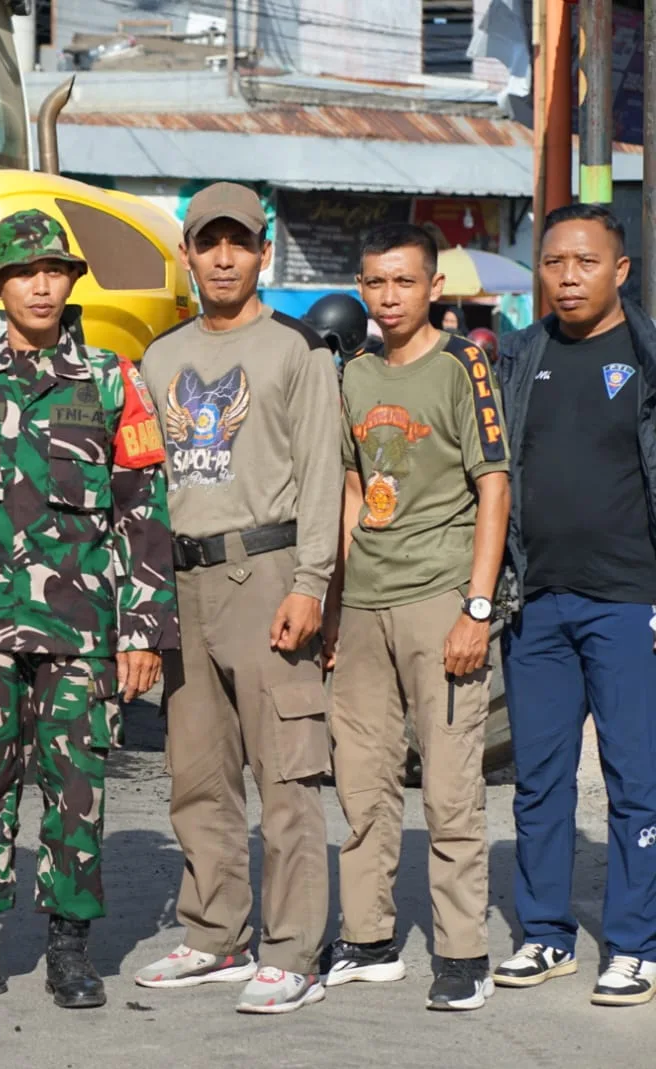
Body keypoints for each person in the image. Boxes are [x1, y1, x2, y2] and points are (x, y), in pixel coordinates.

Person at [0, 210, 175, 1011]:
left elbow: (143, 509)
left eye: (54, 271)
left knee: (77, 783)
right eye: (23, 272)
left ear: (70, 282)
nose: (40, 283)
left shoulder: (110, 379)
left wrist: (141, 629)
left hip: (82, 628)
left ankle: (69, 948)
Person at [132, 182, 342, 1014]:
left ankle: (293, 949)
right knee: (198, 770)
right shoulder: (159, 357)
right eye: (208, 242)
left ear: (263, 253)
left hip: (268, 574)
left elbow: (324, 475)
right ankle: (215, 931)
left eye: (239, 242)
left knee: (286, 773)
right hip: (183, 580)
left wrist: (312, 583)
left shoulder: (295, 352)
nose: (223, 257)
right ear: (186, 254)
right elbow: (145, 484)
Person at [322, 223, 511, 1011]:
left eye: (402, 282)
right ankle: (368, 937)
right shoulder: (355, 376)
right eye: (375, 283)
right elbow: (349, 487)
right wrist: (332, 602)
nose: (388, 297)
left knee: (450, 786)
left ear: (433, 286)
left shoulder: (461, 367)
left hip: (440, 597)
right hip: (364, 605)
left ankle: (464, 951)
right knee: (361, 783)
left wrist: (476, 607)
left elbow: (493, 485)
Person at [494, 203, 656, 1006]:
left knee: (636, 780)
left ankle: (633, 942)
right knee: (540, 780)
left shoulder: (650, 357)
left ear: (620, 270)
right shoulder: (520, 357)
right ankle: (545, 933)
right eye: (554, 262)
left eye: (585, 262)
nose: (566, 276)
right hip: (539, 600)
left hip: (631, 602)